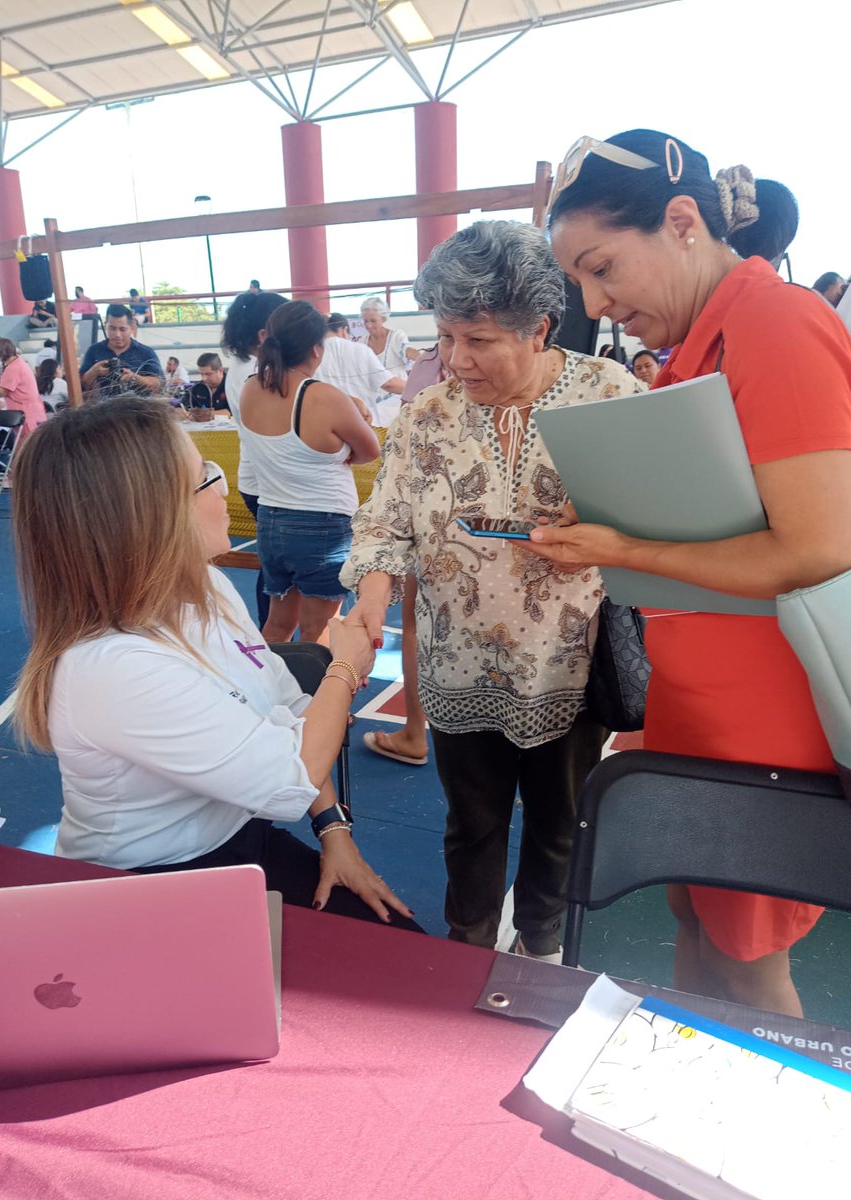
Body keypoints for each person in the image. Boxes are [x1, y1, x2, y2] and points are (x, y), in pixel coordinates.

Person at [532, 128, 851, 1015]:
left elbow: (817, 547)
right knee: (696, 916)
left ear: (682, 222)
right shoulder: (702, 340)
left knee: (747, 956)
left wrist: (623, 549)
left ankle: (755, 1139)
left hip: (764, 703)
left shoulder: (775, 322)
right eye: (581, 284)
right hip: (702, 691)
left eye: (603, 268)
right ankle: (692, 1091)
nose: (597, 304)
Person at [341, 221, 639, 960]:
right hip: (457, 666)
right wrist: (369, 608)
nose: (454, 359)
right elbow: (384, 524)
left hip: (567, 667)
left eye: (476, 340)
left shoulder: (610, 396)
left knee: (558, 823)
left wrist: (609, 534)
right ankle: (465, 949)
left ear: (539, 328)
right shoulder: (428, 414)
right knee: (468, 825)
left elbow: (659, 520)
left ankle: (539, 948)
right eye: (444, 337)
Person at [10, 396, 415, 928]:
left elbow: (292, 710)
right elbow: (289, 774)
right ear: (148, 518)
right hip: (143, 887)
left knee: (396, 941)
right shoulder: (112, 667)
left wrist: (334, 833)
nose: (225, 488)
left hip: (238, 843)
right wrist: (344, 666)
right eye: (203, 476)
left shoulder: (205, 588)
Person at [240, 301, 381, 646]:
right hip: (323, 526)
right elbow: (370, 451)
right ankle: (316, 700)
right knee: (319, 630)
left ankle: (271, 694)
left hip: (271, 520)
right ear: (317, 350)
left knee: (276, 625)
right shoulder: (325, 398)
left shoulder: (250, 387)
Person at [361, 341, 454, 769]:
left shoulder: (431, 366)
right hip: (429, 527)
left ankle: (417, 730)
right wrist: (373, 593)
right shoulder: (428, 371)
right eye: (449, 336)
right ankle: (416, 729)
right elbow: (388, 506)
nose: (460, 357)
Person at [220, 291, 288, 628]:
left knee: (275, 564)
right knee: (276, 569)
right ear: (265, 332)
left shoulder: (248, 366)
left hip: (261, 480)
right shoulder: (255, 373)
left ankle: (274, 635)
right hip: (265, 483)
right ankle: (273, 638)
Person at [314, 313, 403, 423]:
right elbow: (389, 384)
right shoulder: (360, 349)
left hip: (326, 424)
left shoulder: (312, 355)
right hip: (363, 422)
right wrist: (419, 387)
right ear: (344, 330)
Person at [358, 295, 420, 425]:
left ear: (383, 318)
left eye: (373, 321)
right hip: (372, 407)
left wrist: (422, 357)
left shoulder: (396, 336)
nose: (369, 325)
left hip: (398, 403)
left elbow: (406, 350)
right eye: (365, 321)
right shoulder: (361, 343)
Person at [79, 304, 165, 398]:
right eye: (112, 328)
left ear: (131, 328)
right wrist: (93, 371)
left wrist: (136, 378)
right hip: (103, 410)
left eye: (122, 329)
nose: (117, 334)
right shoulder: (94, 351)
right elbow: (80, 385)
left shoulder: (146, 353)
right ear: (105, 325)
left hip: (137, 409)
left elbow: (160, 384)